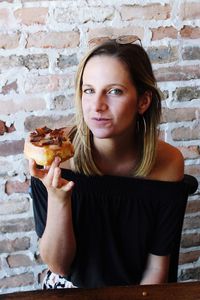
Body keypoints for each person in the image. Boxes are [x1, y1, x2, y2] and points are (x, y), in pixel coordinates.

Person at [29, 36, 187, 289]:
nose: (97, 106)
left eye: (114, 91)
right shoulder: (55, 157)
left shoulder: (168, 163)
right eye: (89, 90)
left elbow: (157, 267)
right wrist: (59, 199)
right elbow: (58, 266)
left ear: (143, 101)